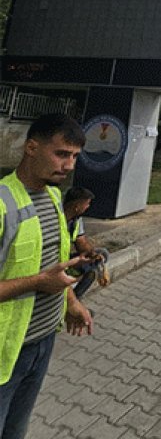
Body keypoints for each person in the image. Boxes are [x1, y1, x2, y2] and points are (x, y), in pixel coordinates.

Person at [0, 114, 93, 438]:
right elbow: (44, 275)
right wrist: (39, 283)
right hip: (4, 353)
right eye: (61, 154)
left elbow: (54, 260)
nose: (69, 165)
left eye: (75, 157)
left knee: (16, 428)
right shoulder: (2, 202)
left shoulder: (54, 196)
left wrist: (70, 301)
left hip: (42, 342)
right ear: (31, 148)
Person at [60, 188, 110, 299]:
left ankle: (75, 298)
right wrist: (75, 262)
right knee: (91, 272)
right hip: (56, 261)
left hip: (66, 258)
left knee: (102, 254)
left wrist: (92, 254)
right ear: (76, 206)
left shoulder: (76, 220)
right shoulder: (57, 219)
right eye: (87, 204)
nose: (88, 207)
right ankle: (73, 301)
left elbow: (81, 242)